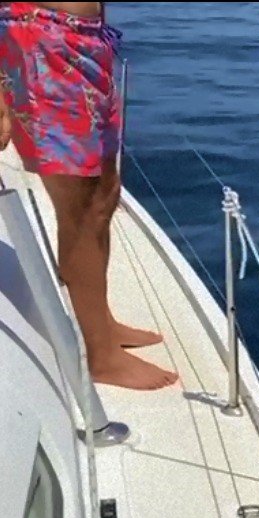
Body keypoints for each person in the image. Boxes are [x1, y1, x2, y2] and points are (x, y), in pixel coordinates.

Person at [0, 2, 178, 390]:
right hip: (39, 42)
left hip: (85, 42)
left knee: (104, 197)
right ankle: (101, 356)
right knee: (78, 206)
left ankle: (104, 324)